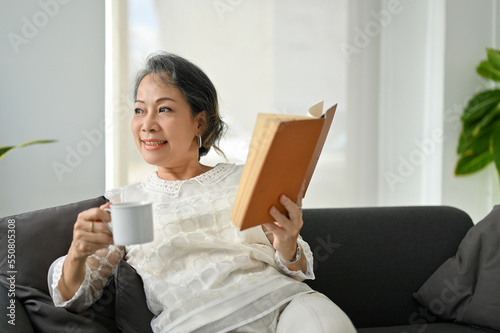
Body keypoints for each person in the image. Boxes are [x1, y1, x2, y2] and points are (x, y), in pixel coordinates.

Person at [48, 52, 356, 333]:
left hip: (283, 303)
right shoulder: (125, 203)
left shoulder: (249, 177)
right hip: (199, 323)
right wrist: (76, 253)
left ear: (200, 121)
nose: (147, 124)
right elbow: (75, 298)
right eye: (140, 110)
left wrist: (287, 243)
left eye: (164, 109)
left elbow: (299, 269)